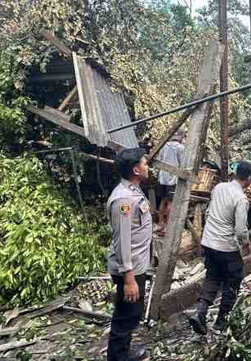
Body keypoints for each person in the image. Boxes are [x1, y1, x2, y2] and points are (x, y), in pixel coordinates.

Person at [188, 161, 251, 334]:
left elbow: (209, 212)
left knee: (213, 276)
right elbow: (240, 230)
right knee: (233, 279)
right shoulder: (241, 199)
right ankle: (221, 321)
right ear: (249, 179)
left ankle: (200, 312)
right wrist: (246, 244)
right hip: (226, 246)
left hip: (209, 242)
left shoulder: (219, 187)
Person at [106, 148, 152, 361]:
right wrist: (129, 278)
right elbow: (122, 241)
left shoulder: (134, 191)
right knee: (126, 315)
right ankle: (117, 357)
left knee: (131, 313)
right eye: (145, 163)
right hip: (129, 269)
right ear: (136, 169)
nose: (147, 167)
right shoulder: (124, 199)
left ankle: (123, 353)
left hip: (136, 266)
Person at [156, 131, 185, 236]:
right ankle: (167, 227)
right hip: (172, 179)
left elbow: (159, 159)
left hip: (162, 177)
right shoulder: (180, 148)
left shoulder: (164, 146)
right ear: (181, 137)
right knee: (170, 203)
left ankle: (160, 223)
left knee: (163, 200)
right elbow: (183, 164)